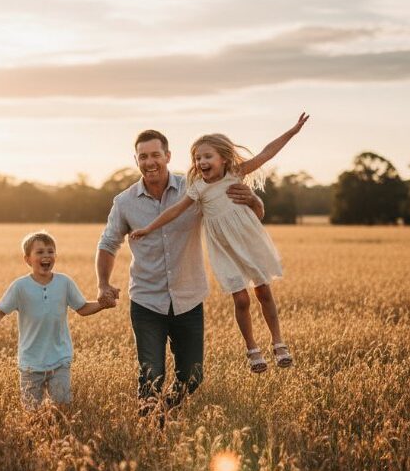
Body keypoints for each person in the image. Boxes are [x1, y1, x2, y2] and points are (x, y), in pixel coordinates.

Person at [96, 129, 266, 417]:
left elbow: (249, 217)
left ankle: (165, 412)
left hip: (189, 299)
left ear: (168, 156)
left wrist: (252, 200)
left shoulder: (196, 189)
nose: (150, 162)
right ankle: (150, 426)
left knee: (193, 376)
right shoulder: (124, 202)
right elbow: (108, 244)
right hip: (147, 301)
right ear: (136, 159)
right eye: (143, 156)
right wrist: (103, 283)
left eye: (155, 155)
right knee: (151, 375)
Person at [130, 113, 309, 372]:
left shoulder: (236, 174)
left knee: (264, 292)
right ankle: (252, 350)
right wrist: (148, 228)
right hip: (224, 249)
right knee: (241, 300)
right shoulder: (198, 188)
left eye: (207, 156)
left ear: (223, 158)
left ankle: (279, 343)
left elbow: (266, 153)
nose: (201, 161)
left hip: (247, 241)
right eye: (197, 158)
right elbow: (175, 211)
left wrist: (292, 132)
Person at [0, 231, 110, 410]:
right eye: (40, 252)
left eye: (50, 251)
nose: (46, 256)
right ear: (27, 259)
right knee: (31, 413)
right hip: (30, 363)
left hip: (60, 360)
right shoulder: (19, 287)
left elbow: (82, 308)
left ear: (55, 256)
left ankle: (61, 438)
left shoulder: (64, 282)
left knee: (63, 409)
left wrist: (103, 304)